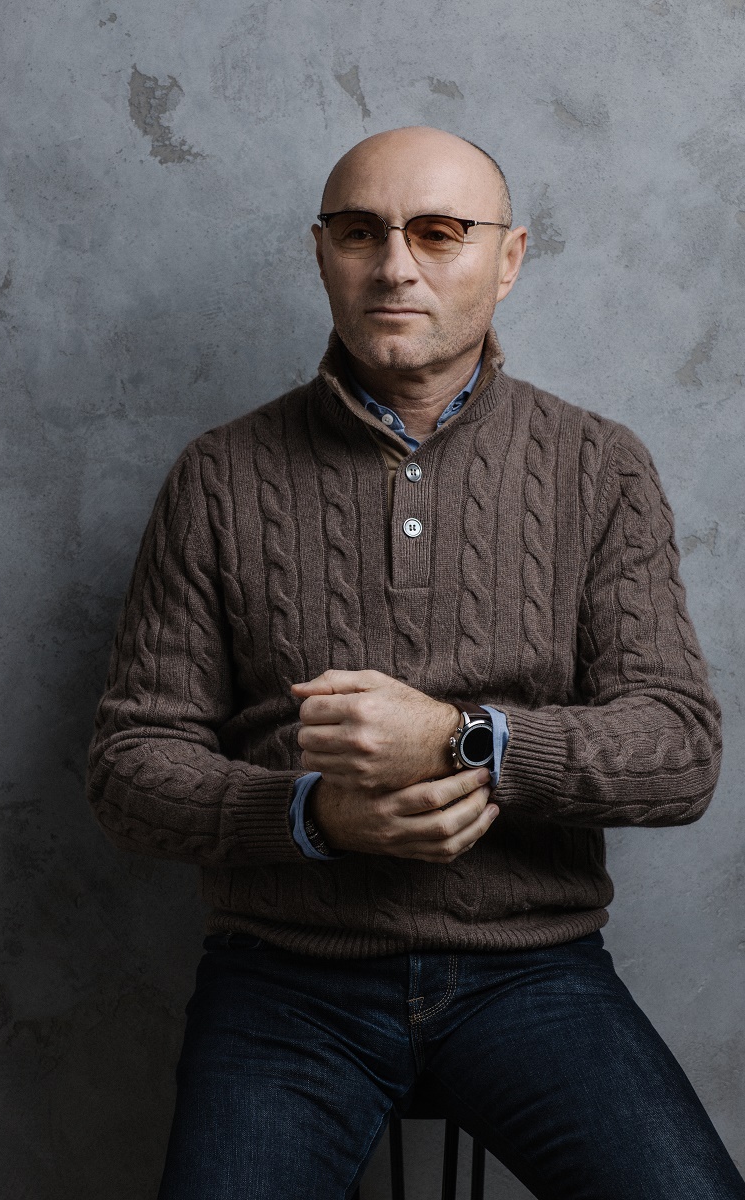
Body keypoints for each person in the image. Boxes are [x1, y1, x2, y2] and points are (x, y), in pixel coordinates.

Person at [87, 126, 744, 1199]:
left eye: (439, 232)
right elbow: (128, 769)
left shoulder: (601, 466)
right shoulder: (216, 476)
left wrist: (461, 739)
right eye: (361, 233)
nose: (395, 265)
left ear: (508, 257)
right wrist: (314, 816)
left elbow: (678, 754)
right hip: (284, 978)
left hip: (533, 971)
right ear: (321, 253)